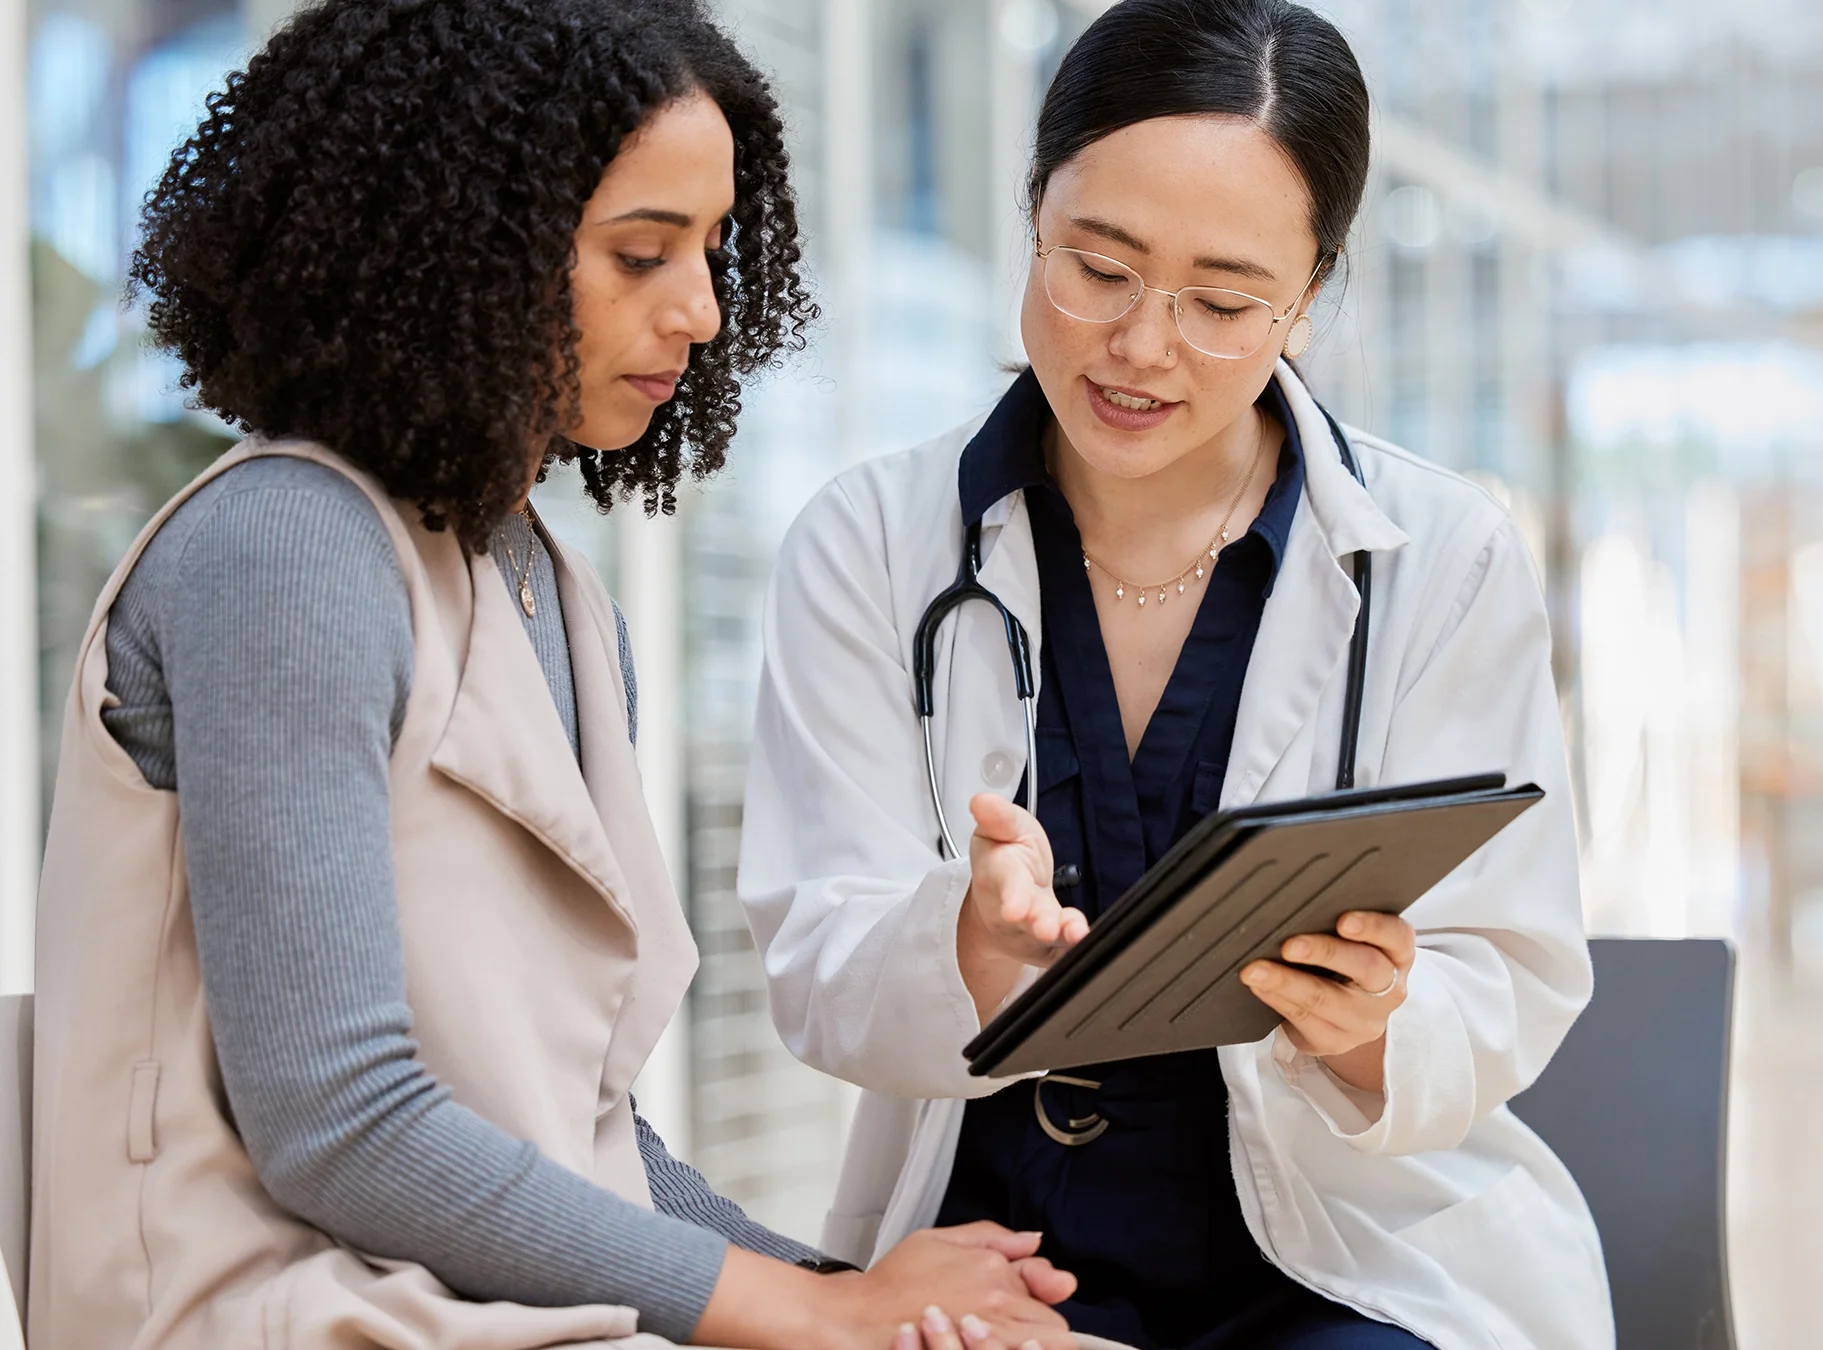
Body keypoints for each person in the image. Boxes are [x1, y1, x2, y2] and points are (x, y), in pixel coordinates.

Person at [27, 2, 1069, 1347]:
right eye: (641, 253)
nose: (699, 310)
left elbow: (587, 1141)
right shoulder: (286, 549)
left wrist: (849, 1294)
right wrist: (823, 1312)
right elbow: (341, 1126)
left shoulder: (547, 594)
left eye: (711, 250)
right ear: (456, 250)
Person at [738, 2, 1611, 1347]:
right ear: (1034, 212)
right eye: (1097, 266)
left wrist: (1379, 1020)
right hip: (999, 1240)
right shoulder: (866, 544)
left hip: (1346, 1254)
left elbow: (1512, 962)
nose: (1142, 346)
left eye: (1219, 301)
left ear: (1308, 296)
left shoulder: (1440, 557)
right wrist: (960, 949)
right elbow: (815, 951)